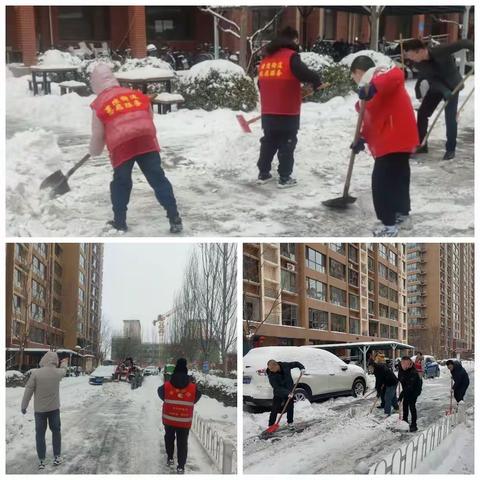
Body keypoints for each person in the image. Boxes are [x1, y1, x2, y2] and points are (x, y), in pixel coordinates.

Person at [89, 63, 182, 234]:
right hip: (145, 138)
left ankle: (120, 222)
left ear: (95, 84)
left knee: (121, 182)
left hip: (122, 144)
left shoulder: (99, 103)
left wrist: (93, 151)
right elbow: (148, 116)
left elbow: (98, 135)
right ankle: (174, 216)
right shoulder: (134, 94)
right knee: (157, 178)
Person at [349, 56, 418, 237]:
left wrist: (372, 87)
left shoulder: (381, 75)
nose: (354, 81)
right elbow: (371, 121)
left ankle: (389, 226)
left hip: (394, 138)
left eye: (353, 77)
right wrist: (362, 138)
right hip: (395, 139)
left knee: (381, 184)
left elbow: (397, 75)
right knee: (398, 179)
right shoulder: (368, 95)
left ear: (358, 72)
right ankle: (402, 215)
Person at [257, 26, 323, 188]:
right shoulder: (291, 57)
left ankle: (263, 173)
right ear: (293, 40)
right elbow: (305, 74)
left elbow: (260, 84)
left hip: (268, 111)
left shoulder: (266, 59)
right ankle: (285, 177)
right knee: (287, 142)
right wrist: (316, 82)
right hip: (287, 110)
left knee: (269, 141)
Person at [403, 38, 474, 160]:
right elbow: (432, 79)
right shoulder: (418, 63)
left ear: (419, 51)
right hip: (437, 87)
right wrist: (443, 90)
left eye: (411, 56)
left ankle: (450, 149)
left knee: (450, 118)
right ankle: (422, 144)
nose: (410, 59)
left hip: (453, 85)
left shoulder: (441, 49)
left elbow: (464, 43)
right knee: (423, 113)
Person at [20, 352, 68, 470]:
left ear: (44, 359)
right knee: (56, 432)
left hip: (40, 411)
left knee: (40, 434)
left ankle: (41, 460)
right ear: (55, 360)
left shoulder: (36, 373)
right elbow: (64, 371)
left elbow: (28, 390)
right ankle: (57, 457)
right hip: (54, 410)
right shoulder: (57, 373)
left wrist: (24, 406)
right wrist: (64, 363)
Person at [158, 358, 201, 474]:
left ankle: (170, 458)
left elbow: (160, 392)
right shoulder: (192, 387)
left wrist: (169, 400)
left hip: (169, 419)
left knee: (169, 438)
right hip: (184, 420)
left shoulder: (167, 385)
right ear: (186, 369)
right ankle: (181, 466)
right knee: (182, 442)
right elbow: (197, 396)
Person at [266, 359, 305, 429]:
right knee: (274, 409)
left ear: (276, 365)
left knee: (290, 407)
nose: (271, 370)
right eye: (270, 369)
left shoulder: (285, 365)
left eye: (272, 368)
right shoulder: (271, 375)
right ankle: (271, 425)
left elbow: (296, 363)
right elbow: (276, 387)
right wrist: (287, 393)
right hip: (279, 393)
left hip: (289, 390)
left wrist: (302, 368)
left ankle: (290, 422)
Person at [398, 356, 423, 432]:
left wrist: (401, 395)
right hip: (406, 388)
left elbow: (410, 386)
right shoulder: (401, 369)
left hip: (415, 390)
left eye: (406, 364)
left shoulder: (413, 372)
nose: (404, 365)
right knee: (405, 404)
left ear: (410, 363)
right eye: (403, 363)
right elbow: (400, 379)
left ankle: (414, 425)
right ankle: (405, 420)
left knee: (411, 405)